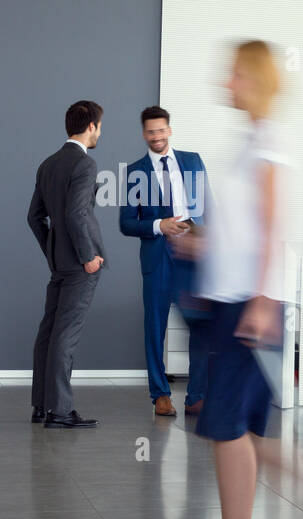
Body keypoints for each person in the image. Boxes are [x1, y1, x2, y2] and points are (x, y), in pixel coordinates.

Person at [171, 40, 293, 519]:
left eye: (235, 75)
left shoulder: (271, 140)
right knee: (242, 427)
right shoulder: (252, 141)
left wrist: (263, 300)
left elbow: (274, 226)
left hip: (251, 305)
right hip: (235, 302)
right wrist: (203, 246)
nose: (227, 83)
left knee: (226, 424)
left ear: (256, 78)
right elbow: (245, 231)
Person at [119, 106, 213, 417]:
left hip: (193, 256)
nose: (156, 136)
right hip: (158, 256)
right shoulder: (135, 172)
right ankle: (160, 395)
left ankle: (196, 395)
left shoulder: (193, 161)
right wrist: (160, 225)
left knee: (200, 326)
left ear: (169, 130)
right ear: (144, 134)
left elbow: (209, 208)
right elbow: (126, 223)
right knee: (155, 327)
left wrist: (204, 238)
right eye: (150, 131)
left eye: (161, 130)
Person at [26, 100, 108, 429]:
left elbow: (34, 218)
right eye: (100, 126)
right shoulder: (85, 165)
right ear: (91, 127)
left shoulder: (48, 164)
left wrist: (52, 251)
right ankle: (59, 411)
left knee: (49, 332)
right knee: (65, 335)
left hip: (60, 263)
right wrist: (88, 257)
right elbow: (76, 215)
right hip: (79, 264)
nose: (100, 131)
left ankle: (41, 406)